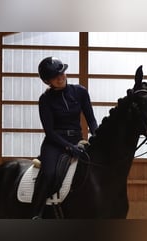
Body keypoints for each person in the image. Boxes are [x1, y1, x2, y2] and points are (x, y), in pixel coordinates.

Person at [31, 56, 98, 219]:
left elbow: (91, 119)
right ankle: (36, 213)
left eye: (61, 73)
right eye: (55, 76)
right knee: (49, 174)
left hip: (78, 139)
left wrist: (96, 136)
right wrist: (70, 148)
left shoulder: (80, 92)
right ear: (48, 81)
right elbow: (50, 132)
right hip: (55, 143)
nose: (60, 77)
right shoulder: (45, 100)